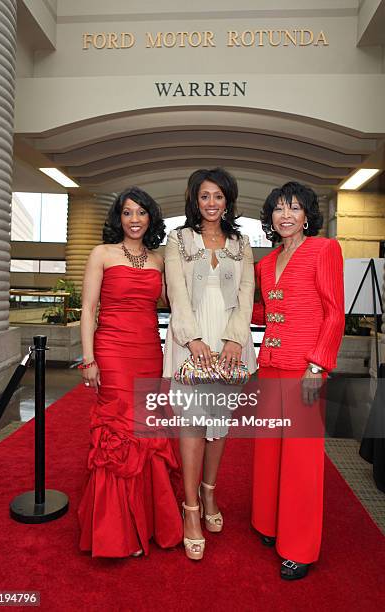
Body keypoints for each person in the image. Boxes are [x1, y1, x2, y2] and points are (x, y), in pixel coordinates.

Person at [78, 187, 183, 558]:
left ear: (150, 218)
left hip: (147, 351)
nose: (134, 219)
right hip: (112, 350)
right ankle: (119, 529)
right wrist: (89, 359)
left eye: (141, 212)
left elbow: (177, 302)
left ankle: (148, 522)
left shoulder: (159, 260)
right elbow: (88, 309)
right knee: (121, 429)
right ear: (118, 218)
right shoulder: (101, 254)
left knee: (147, 429)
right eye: (127, 212)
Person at [251, 181, 344, 580]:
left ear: (308, 215)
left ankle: (300, 547)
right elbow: (268, 311)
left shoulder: (325, 250)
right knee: (270, 450)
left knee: (302, 461)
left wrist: (317, 367)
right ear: (270, 217)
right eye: (278, 208)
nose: (285, 215)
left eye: (294, 207)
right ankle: (269, 524)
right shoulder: (265, 262)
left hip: (303, 368)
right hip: (270, 365)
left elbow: (334, 313)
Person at [163, 168, 257, 560]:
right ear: (194, 200)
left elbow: (248, 291)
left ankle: (209, 492)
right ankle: (190, 509)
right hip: (191, 344)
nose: (212, 203)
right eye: (205, 196)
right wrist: (194, 338)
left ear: (228, 200)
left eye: (219, 196)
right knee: (192, 425)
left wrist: (236, 339)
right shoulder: (178, 240)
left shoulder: (241, 242)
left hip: (229, 346)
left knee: (218, 425)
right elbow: (176, 292)